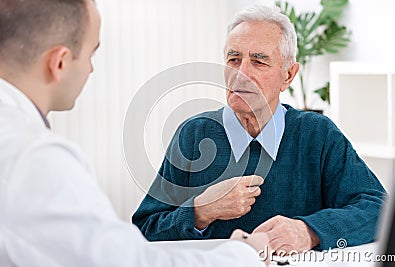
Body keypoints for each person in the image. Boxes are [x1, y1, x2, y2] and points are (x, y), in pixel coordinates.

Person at [0, 0, 270, 266]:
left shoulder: (313, 130)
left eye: (260, 62)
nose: (91, 69)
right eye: (90, 55)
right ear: (59, 63)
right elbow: (132, 251)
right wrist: (240, 251)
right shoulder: (35, 158)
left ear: (289, 75)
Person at [132, 5, 386, 254]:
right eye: (234, 59)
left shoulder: (317, 135)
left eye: (258, 61)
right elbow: (145, 228)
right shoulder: (193, 134)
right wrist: (202, 210)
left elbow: (378, 208)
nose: (241, 73)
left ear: (288, 75)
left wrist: (308, 231)